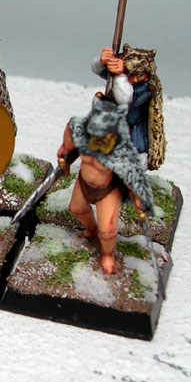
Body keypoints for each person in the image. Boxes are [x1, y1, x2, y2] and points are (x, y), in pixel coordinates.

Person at [58, 95, 155, 273]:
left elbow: (134, 178)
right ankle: (91, 229)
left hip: (107, 190)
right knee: (76, 209)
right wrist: (64, 156)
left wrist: (140, 201)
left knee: (108, 230)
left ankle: (107, 254)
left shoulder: (122, 152)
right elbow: (67, 146)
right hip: (84, 183)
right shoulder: (79, 130)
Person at [91, 44, 166, 170]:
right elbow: (98, 70)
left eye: (140, 75)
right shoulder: (124, 77)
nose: (135, 80)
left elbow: (125, 99)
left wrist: (120, 75)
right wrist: (102, 61)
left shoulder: (148, 88)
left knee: (136, 158)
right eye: (131, 75)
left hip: (135, 129)